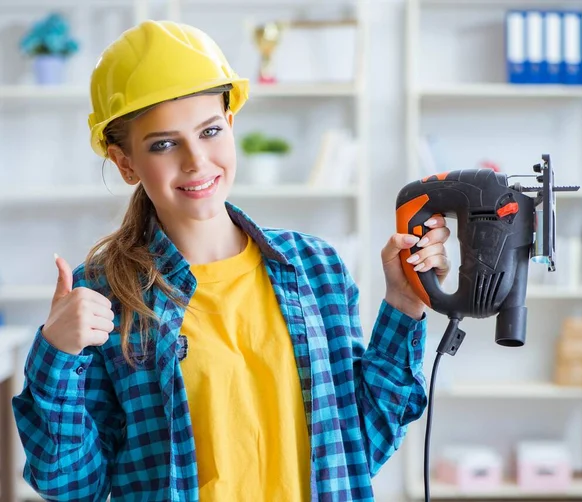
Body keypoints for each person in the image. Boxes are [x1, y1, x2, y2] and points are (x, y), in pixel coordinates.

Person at [12, 20, 450, 502]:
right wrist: (55, 353)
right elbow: (73, 486)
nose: (196, 160)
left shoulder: (316, 268)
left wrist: (404, 303)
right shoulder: (105, 294)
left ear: (231, 125)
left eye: (210, 130)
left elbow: (357, 448)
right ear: (126, 163)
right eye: (163, 143)